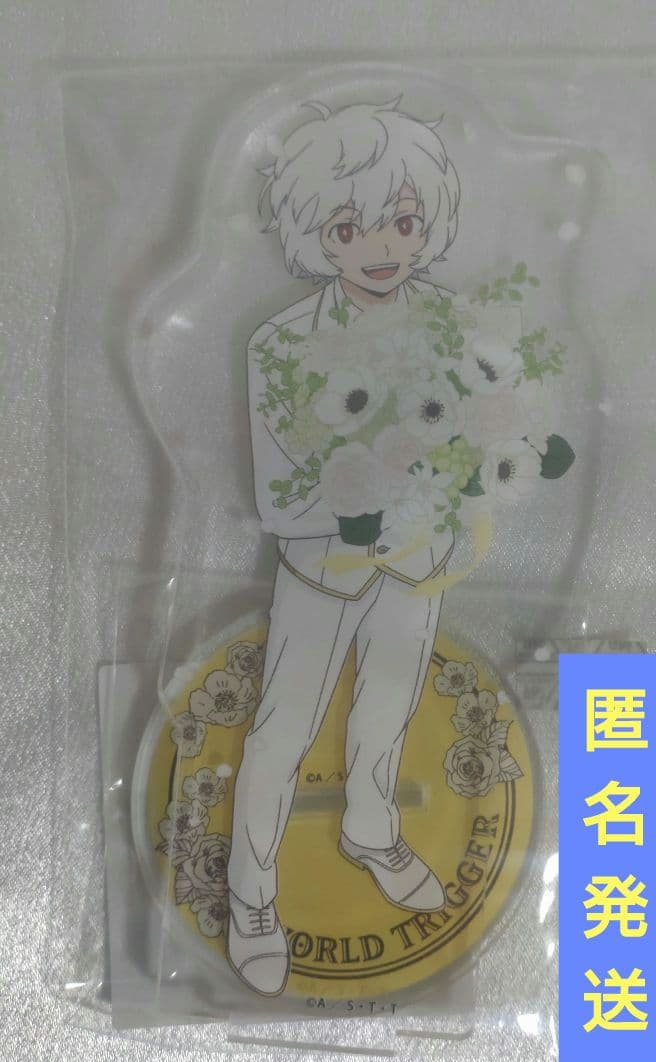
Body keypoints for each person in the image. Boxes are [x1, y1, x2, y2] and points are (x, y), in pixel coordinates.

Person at [226, 98, 461, 996]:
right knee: (281, 731)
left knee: (388, 709)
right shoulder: (280, 341)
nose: (380, 248)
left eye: (403, 221)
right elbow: (278, 493)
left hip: (420, 559)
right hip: (321, 566)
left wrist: (441, 493)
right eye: (346, 227)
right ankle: (251, 891)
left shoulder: (451, 324)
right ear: (311, 233)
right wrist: (373, 495)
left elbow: (477, 439)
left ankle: (371, 829)